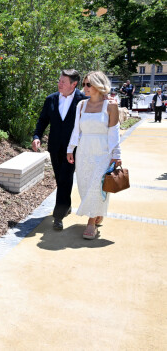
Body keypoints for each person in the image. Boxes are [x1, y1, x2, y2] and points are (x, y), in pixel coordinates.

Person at [66, 71, 122, 240]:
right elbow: (77, 129)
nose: (85, 87)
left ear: (99, 85)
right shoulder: (81, 105)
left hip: (103, 152)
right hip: (84, 151)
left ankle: (91, 223)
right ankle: (97, 211)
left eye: (88, 84)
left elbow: (114, 132)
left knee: (97, 185)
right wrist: (70, 148)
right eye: (84, 84)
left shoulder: (111, 106)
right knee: (85, 186)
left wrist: (117, 154)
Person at [33, 69, 87, 230]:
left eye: (63, 82)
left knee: (65, 177)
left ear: (74, 84)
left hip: (74, 148)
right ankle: (66, 204)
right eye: (59, 80)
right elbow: (42, 120)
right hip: (55, 147)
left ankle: (58, 216)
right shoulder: (51, 99)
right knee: (61, 179)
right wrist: (37, 136)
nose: (59, 84)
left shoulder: (83, 101)